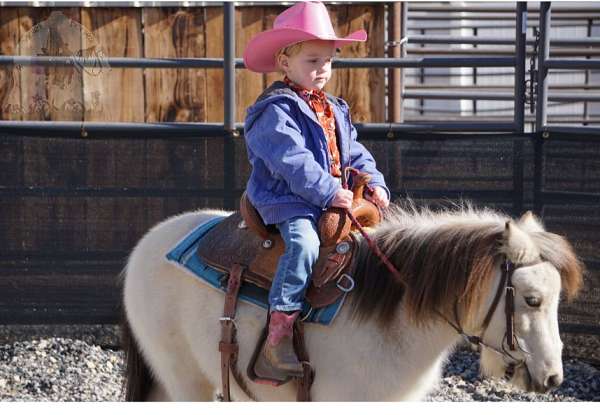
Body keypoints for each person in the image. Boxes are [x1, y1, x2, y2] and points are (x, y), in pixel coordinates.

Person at [242, 1, 390, 381]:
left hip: (327, 196)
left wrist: (373, 183)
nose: (322, 68)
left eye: (328, 59)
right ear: (285, 62)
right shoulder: (273, 111)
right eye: (312, 60)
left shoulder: (335, 109)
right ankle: (278, 336)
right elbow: (291, 161)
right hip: (288, 199)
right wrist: (328, 191)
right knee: (305, 244)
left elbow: (355, 152)